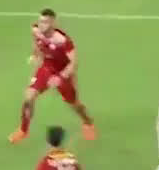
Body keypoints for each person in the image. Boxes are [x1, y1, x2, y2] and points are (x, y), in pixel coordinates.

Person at [10, 8, 97, 143]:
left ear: (53, 23)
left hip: (64, 75)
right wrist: (35, 54)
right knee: (28, 97)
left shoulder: (63, 41)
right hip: (46, 69)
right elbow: (36, 42)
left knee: (74, 104)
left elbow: (74, 63)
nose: (41, 24)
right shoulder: (36, 30)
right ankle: (23, 130)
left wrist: (60, 77)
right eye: (40, 21)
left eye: (45, 22)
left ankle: (88, 122)